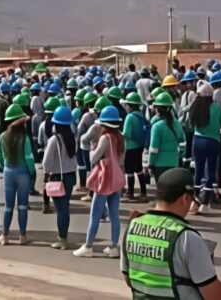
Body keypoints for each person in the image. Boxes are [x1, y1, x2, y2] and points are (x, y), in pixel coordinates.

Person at [121, 168, 221, 300]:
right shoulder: (186, 237)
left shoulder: (132, 227)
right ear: (185, 198)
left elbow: (129, 279)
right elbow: (215, 296)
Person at [74, 106, 125, 258]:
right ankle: (114, 246)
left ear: (105, 125)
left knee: (95, 214)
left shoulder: (105, 138)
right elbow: (121, 160)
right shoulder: (121, 138)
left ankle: (88, 245)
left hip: (105, 180)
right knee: (114, 215)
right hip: (117, 179)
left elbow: (93, 158)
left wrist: (91, 149)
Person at [0, 104, 36, 245]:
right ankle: (22, 236)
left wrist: (4, 167)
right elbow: (29, 157)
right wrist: (32, 172)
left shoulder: (2, 136)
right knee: (22, 206)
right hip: (23, 173)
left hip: (8, 172)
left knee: (8, 206)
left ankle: (5, 236)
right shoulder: (24, 138)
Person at [42, 106, 78, 250]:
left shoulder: (54, 140)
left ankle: (62, 239)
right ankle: (63, 236)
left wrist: (48, 172)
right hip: (70, 176)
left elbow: (46, 163)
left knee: (61, 210)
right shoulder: (72, 138)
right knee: (65, 208)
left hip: (58, 177)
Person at [189, 83, 221, 213]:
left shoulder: (196, 107)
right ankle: (205, 203)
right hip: (213, 142)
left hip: (198, 141)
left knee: (198, 171)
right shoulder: (216, 107)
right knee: (210, 171)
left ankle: (194, 200)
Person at [148, 93, 186, 182]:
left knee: (162, 193)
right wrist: (178, 155)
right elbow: (183, 144)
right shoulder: (177, 123)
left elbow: (153, 149)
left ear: (157, 109)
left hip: (159, 166)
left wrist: (151, 164)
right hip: (174, 163)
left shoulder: (156, 126)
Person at [122, 92, 149, 201]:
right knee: (138, 168)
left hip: (130, 147)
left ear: (131, 105)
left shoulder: (130, 117)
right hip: (140, 145)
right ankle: (143, 192)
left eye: (127, 104)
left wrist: (119, 134)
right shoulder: (140, 115)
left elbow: (127, 134)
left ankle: (130, 192)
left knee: (129, 170)